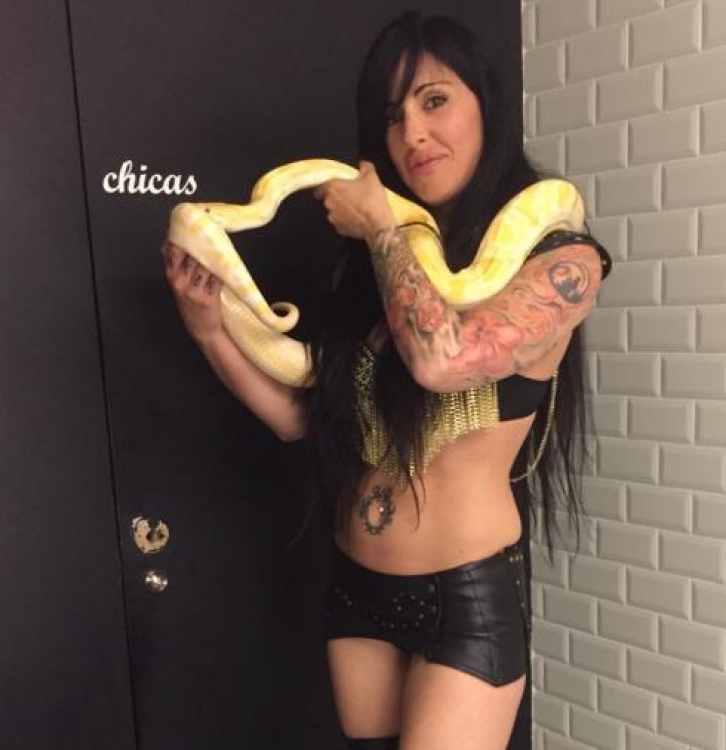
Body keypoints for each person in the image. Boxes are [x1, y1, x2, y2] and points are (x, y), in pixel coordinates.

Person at [163, 11, 610, 750]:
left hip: (463, 599)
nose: (413, 134)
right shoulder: (378, 272)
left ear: (487, 106)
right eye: (393, 116)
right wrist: (211, 329)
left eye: (435, 100)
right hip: (356, 588)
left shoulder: (563, 262)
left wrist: (381, 230)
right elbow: (300, 419)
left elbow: (442, 362)